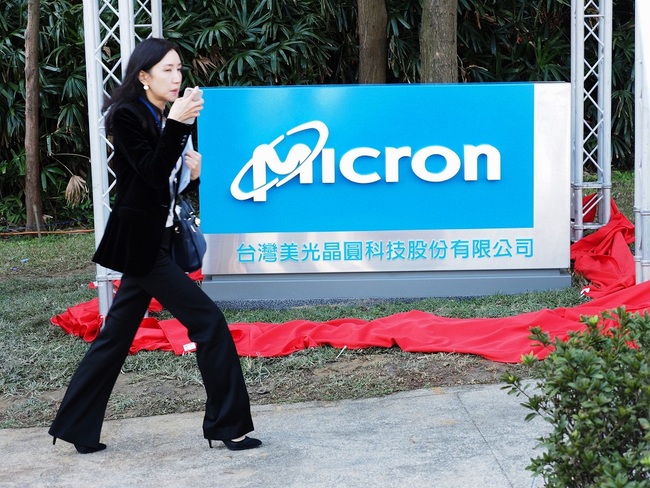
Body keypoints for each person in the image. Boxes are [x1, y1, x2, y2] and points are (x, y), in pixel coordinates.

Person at [49, 37, 261, 454]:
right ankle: (226, 426)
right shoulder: (127, 115)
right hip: (143, 247)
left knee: (115, 337)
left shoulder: (162, 115)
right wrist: (179, 127)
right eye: (167, 69)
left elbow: (162, 185)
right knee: (209, 323)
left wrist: (191, 172)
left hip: (156, 241)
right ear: (143, 76)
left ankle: (74, 426)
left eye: (179, 69)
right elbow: (147, 172)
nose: (176, 76)